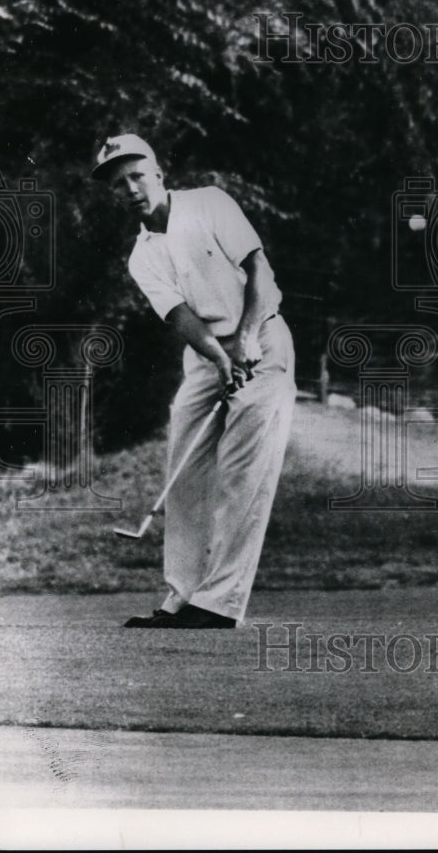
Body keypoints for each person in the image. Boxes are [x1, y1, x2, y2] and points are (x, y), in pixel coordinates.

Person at [92, 133, 296, 627]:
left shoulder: (209, 203)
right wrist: (221, 358)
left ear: (159, 173)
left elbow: (260, 270)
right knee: (184, 471)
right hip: (207, 355)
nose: (132, 188)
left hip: (262, 339)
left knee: (241, 473)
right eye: (120, 184)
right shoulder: (141, 256)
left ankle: (219, 603)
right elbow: (181, 318)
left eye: (137, 175)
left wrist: (245, 340)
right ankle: (181, 595)